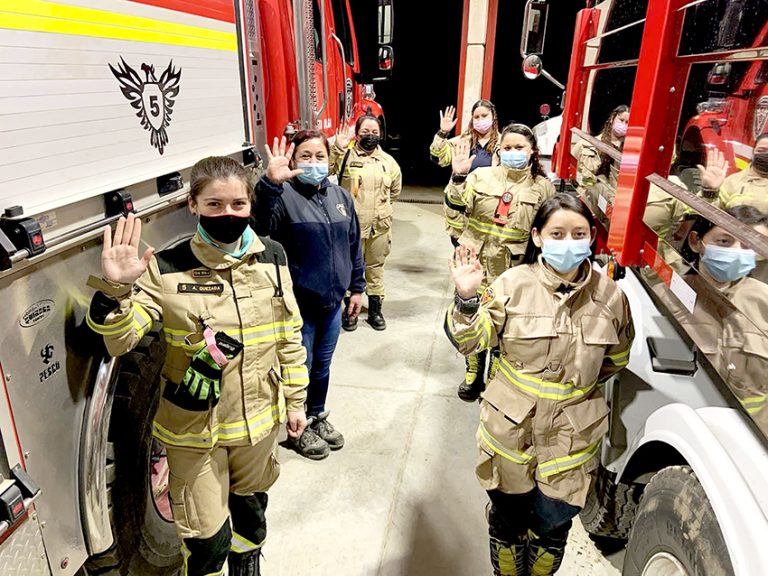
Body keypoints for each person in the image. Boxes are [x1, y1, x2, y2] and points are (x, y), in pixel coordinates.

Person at [86, 156, 309, 576]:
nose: (229, 214)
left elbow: (289, 337)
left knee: (252, 514)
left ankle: (247, 564)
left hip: (260, 424)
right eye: (215, 205)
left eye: (238, 204)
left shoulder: (273, 257)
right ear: (193, 205)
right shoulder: (166, 267)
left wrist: (296, 401)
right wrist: (116, 289)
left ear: (250, 204)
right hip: (195, 434)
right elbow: (121, 339)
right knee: (207, 541)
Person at [446, 193, 634, 576]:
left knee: (553, 523)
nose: (569, 243)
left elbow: (616, 358)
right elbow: (472, 341)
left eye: (578, 234)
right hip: (511, 433)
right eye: (557, 234)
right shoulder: (512, 284)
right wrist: (466, 299)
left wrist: (574, 386)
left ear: (591, 237)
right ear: (537, 237)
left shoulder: (611, 298)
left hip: (571, 438)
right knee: (508, 520)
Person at [253, 132, 365, 460]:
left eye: (319, 156)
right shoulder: (283, 196)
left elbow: (353, 244)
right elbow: (259, 229)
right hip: (297, 306)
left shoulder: (340, 196)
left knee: (322, 366)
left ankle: (316, 416)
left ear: (329, 160)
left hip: (332, 304)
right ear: (293, 160)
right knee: (299, 368)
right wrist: (269, 185)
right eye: (305, 156)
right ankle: (297, 428)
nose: (313, 162)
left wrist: (357, 287)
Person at [445, 123, 555, 402]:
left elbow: (547, 231)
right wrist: (458, 178)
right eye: (507, 147)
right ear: (498, 150)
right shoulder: (480, 176)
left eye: (519, 147)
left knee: (505, 326)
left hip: (514, 269)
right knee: (471, 315)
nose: (513, 152)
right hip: (476, 264)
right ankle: (473, 373)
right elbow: (454, 210)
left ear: (532, 151)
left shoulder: (543, 188)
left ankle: (494, 378)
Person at [669, 206, 768, 430]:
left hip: (753, 433)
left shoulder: (763, 301)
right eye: (724, 242)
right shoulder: (668, 295)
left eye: (747, 245)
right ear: (696, 242)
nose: (737, 252)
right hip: (685, 425)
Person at [332, 115, 402, 331]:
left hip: (379, 227)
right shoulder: (345, 157)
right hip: (351, 227)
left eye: (374, 132)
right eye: (365, 132)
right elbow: (326, 169)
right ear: (357, 134)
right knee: (349, 268)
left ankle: (375, 311)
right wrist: (337, 148)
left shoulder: (388, 162)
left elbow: (394, 191)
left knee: (375, 268)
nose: (370, 136)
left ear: (380, 134)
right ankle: (350, 311)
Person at [430, 100, 500, 246]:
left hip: (488, 210)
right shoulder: (461, 142)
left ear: (493, 117)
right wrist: (443, 133)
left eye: (484, 116)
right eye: (476, 117)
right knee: (461, 255)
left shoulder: (504, 145)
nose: (480, 120)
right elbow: (437, 158)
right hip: (462, 212)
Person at [699, 133, 768, 212]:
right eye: (761, 150)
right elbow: (706, 212)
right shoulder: (732, 182)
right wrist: (709, 191)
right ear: (753, 152)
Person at [572, 104, 629, 189]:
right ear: (612, 119)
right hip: (588, 193)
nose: (623, 125)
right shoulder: (586, 145)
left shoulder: (629, 154)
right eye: (621, 120)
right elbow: (570, 170)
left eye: (627, 122)